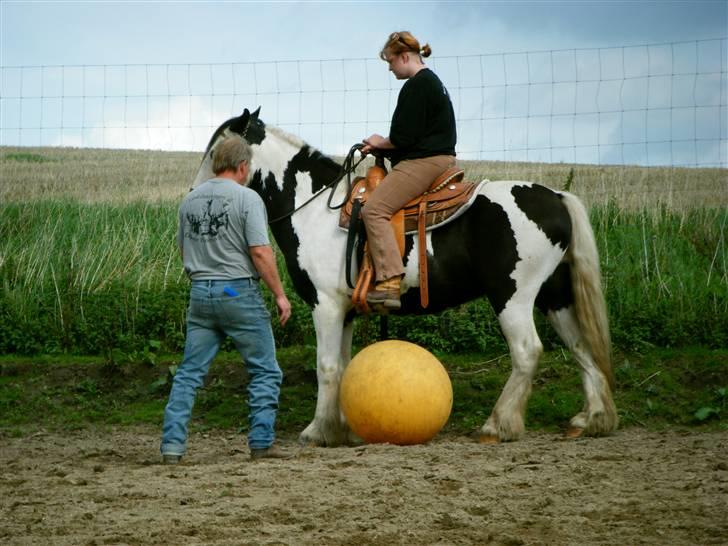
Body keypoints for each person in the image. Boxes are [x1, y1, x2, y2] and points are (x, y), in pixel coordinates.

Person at [160, 136, 292, 463]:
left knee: (189, 373)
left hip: (200, 292)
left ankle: (172, 447)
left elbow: (183, 250)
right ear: (243, 166)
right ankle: (261, 442)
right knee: (264, 370)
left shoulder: (189, 202)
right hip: (236, 291)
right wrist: (279, 295)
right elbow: (260, 252)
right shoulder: (247, 199)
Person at [360, 31, 457, 311]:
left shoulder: (417, 85)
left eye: (390, 61)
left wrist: (380, 141)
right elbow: (414, 136)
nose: (389, 68)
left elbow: (403, 138)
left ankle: (389, 281)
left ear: (404, 57)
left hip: (426, 162)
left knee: (373, 210)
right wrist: (383, 146)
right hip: (440, 157)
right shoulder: (433, 82)